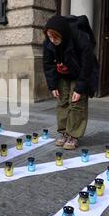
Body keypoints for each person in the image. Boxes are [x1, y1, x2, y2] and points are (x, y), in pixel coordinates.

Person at [42, 15, 98, 150]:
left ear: (63, 34)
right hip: (63, 74)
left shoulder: (80, 37)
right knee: (62, 102)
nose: (52, 40)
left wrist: (80, 89)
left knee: (77, 103)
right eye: (49, 37)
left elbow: (87, 65)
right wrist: (53, 85)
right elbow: (48, 64)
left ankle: (73, 135)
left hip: (81, 73)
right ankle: (64, 132)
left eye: (56, 37)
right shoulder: (49, 42)